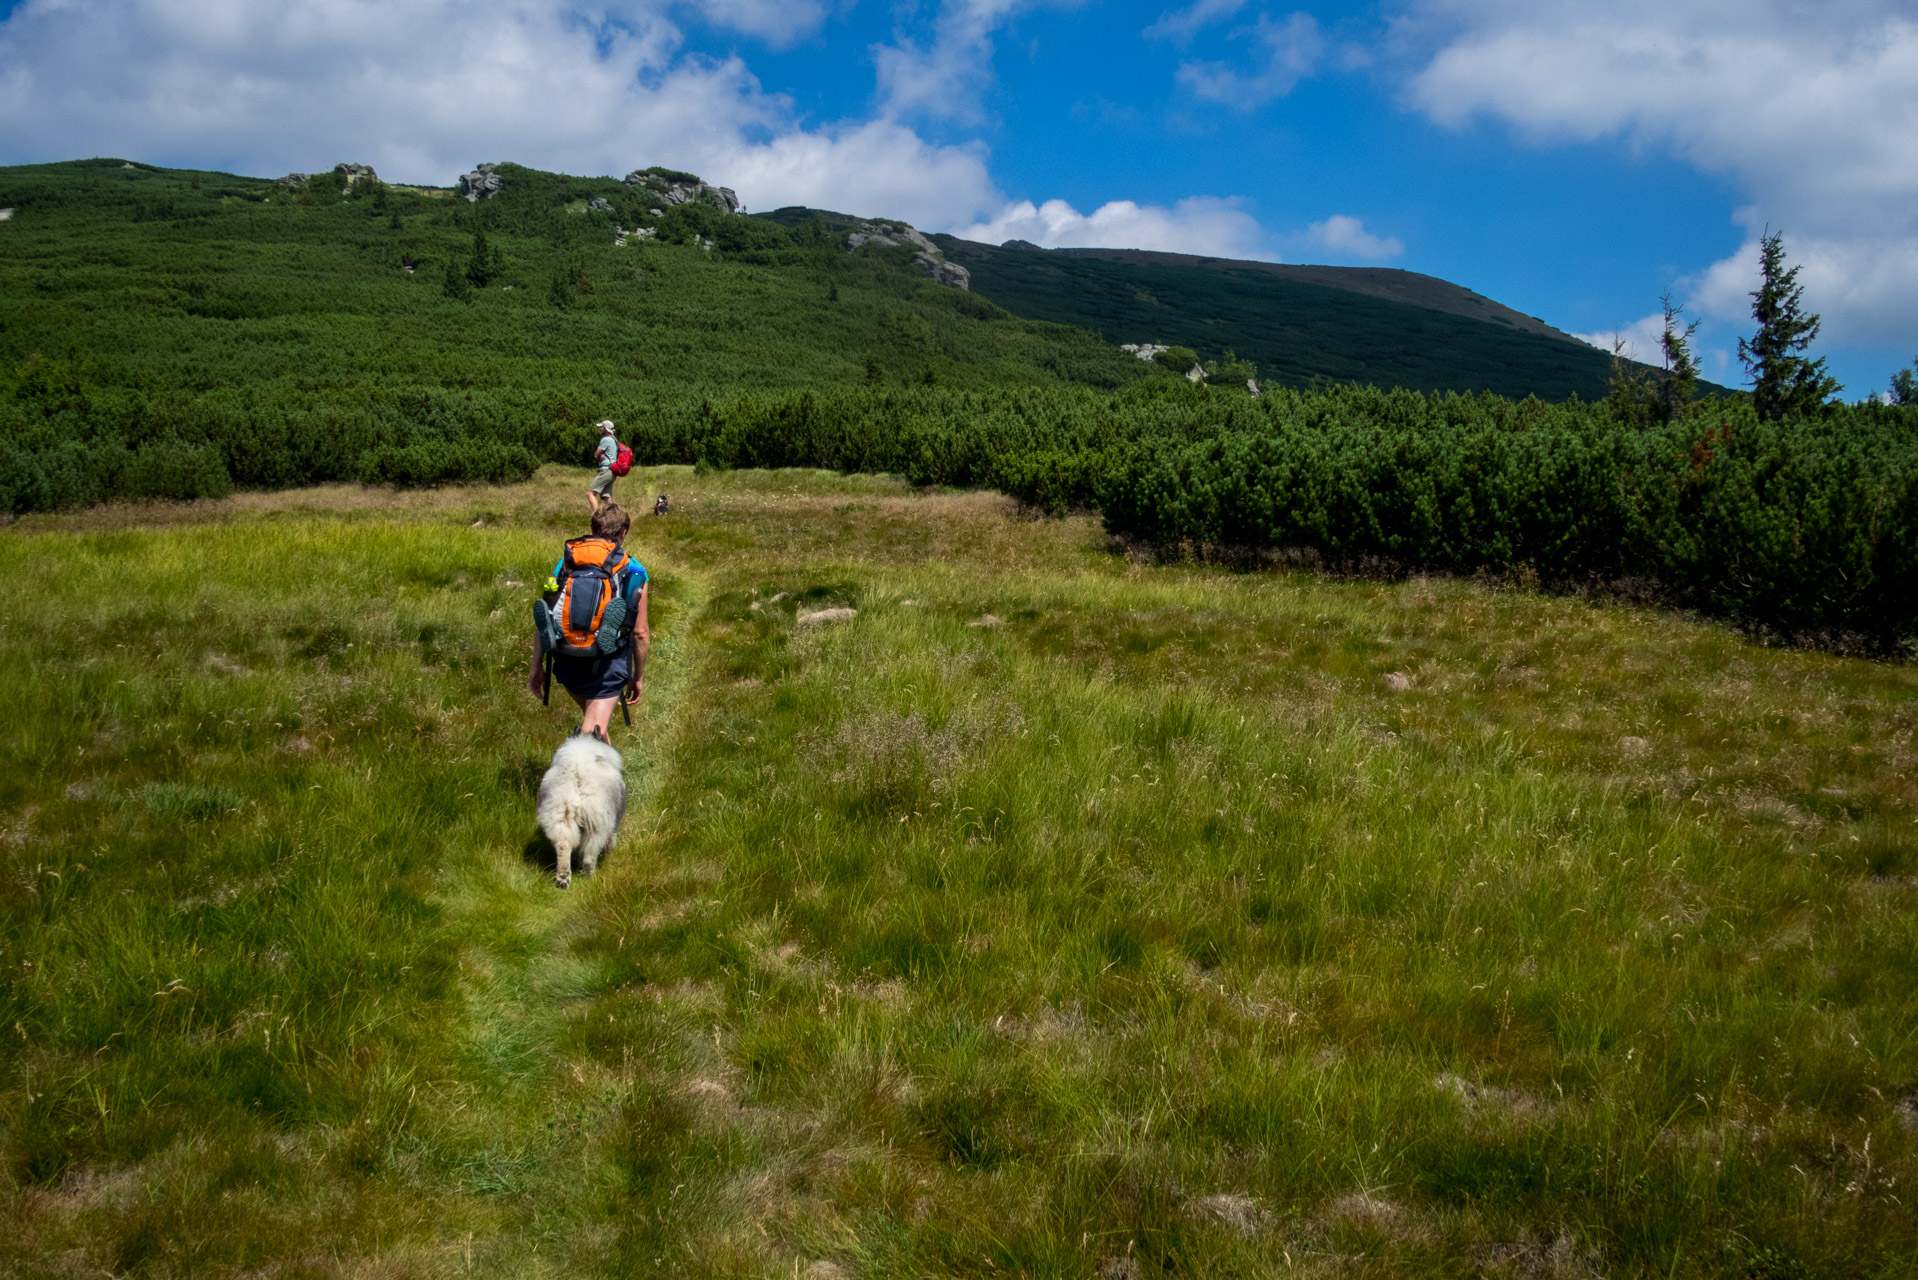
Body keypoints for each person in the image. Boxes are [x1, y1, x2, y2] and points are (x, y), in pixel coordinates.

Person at [528, 502, 648, 740]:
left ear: (592, 529)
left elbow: (550, 613)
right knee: (591, 732)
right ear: (623, 533)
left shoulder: (566, 563)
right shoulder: (633, 569)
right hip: (606, 663)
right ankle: (574, 776)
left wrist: (536, 666)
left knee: (593, 724)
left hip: (566, 656)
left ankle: (613, 777)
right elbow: (640, 633)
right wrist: (638, 676)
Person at [587, 419, 619, 514]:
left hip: (605, 470)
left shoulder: (605, 440)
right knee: (606, 497)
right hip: (612, 471)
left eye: (602, 427)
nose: (600, 428)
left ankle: (596, 516)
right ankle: (613, 517)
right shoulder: (614, 440)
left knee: (590, 494)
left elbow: (596, 454)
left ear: (606, 428)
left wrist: (598, 455)